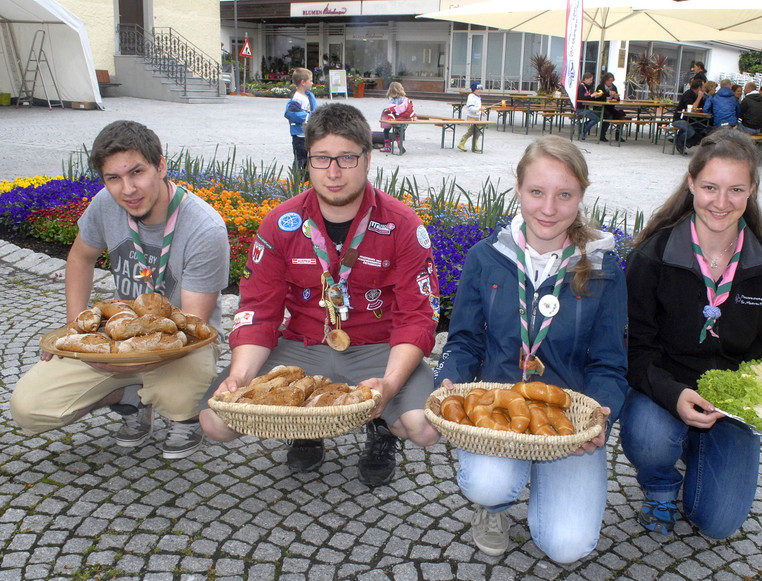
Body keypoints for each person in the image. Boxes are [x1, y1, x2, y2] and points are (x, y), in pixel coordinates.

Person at [199, 103, 439, 487]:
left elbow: (417, 316)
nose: (333, 172)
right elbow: (259, 310)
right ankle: (304, 423)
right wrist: (240, 377)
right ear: (307, 161)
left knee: (424, 429)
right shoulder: (281, 223)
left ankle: (380, 428)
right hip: (304, 346)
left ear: (367, 158)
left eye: (347, 157)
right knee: (216, 421)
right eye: (321, 158)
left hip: (377, 348)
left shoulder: (402, 225)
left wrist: (390, 385)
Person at [434, 136, 629, 563]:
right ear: (519, 188)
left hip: (567, 422)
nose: (549, 208)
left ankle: (550, 480)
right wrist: (447, 378)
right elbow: (463, 340)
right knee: (487, 484)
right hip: (498, 412)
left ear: (581, 196)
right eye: (537, 192)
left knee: (566, 545)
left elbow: (610, 362)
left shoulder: (603, 268)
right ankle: (494, 506)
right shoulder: (486, 258)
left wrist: (600, 415)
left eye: (565, 195)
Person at [9, 120, 230, 459]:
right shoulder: (105, 204)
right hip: (118, 336)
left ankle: (182, 416)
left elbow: (190, 325)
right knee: (29, 408)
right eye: (113, 178)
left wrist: (127, 362)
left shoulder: (204, 227)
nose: (127, 189)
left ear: (160, 166)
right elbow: (80, 258)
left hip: (183, 343)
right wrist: (76, 333)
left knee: (178, 396)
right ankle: (132, 398)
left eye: (136, 172)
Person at [620, 128, 762, 539]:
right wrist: (673, 394)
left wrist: (740, 403)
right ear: (692, 184)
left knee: (717, 523)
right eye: (711, 187)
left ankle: (699, 449)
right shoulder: (654, 256)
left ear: (751, 191)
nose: (721, 202)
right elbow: (635, 349)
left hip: (730, 407)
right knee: (649, 436)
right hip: (663, 391)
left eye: (736, 189)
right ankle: (660, 485)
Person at [285, 67, 318, 172]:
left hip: (309, 135)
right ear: (303, 82)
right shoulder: (296, 99)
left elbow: (315, 110)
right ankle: (297, 178)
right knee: (300, 160)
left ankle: (308, 178)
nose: (312, 83)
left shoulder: (309, 96)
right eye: (310, 80)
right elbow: (292, 114)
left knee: (310, 160)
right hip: (299, 136)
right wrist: (308, 117)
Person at [672, 78, 705, 155]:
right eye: (703, 86)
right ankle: (679, 141)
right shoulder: (688, 94)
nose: (704, 88)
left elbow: (701, 108)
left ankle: (684, 143)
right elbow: (691, 108)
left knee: (702, 130)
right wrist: (699, 98)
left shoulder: (699, 96)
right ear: (699, 88)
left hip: (691, 119)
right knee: (690, 131)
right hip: (679, 119)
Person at [380, 81, 414, 154]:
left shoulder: (391, 99)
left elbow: (391, 109)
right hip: (403, 118)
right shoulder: (405, 99)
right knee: (398, 132)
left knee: (386, 131)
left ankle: (387, 146)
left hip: (393, 118)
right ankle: (399, 142)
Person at [595, 72, 626, 142]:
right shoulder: (600, 87)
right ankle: (602, 135)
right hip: (601, 107)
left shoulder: (614, 87)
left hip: (610, 107)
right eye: (609, 80)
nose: (610, 82)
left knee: (621, 115)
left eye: (611, 80)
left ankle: (618, 135)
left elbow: (617, 100)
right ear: (605, 80)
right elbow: (598, 98)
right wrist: (608, 94)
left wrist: (616, 97)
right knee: (608, 116)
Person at [458, 81, 487, 153]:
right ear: (474, 90)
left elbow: (478, 107)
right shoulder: (471, 97)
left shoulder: (478, 97)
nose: (480, 91)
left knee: (478, 132)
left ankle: (474, 145)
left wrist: (481, 111)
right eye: (478, 89)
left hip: (477, 117)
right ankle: (461, 143)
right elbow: (470, 108)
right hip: (471, 117)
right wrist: (479, 109)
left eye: (481, 89)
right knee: (470, 131)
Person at [575, 72, 603, 141]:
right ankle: (584, 131)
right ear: (586, 79)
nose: (591, 81)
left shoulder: (587, 87)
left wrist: (595, 96)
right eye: (590, 80)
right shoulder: (581, 87)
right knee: (595, 119)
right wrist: (592, 95)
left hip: (585, 108)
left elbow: (588, 98)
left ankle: (583, 125)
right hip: (580, 108)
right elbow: (582, 98)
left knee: (599, 116)